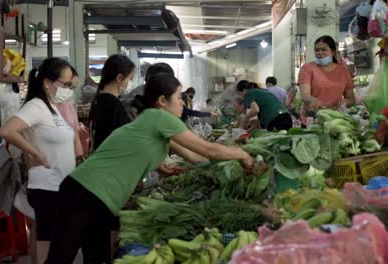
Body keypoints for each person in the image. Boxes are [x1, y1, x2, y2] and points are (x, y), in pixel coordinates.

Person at [46, 73, 253, 263]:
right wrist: (242, 154)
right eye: (179, 97)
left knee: (97, 258)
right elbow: (208, 150)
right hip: (84, 192)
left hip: (99, 199)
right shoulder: (160, 118)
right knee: (61, 259)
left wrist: (160, 167)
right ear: (162, 101)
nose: (183, 103)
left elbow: (195, 157)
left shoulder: (150, 122)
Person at [0, 57, 76, 264]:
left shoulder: (53, 106)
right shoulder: (37, 106)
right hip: (46, 185)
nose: (69, 89)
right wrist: (33, 151)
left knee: (52, 239)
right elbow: (7, 130)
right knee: (47, 241)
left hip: (60, 184)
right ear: (48, 82)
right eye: (66, 84)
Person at [297, 35, 355, 115]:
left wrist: (344, 102)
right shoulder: (307, 68)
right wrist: (312, 100)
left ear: (333, 52)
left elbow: (351, 99)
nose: (320, 53)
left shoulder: (343, 71)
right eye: (317, 50)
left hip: (335, 117)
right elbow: (305, 96)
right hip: (312, 117)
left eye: (323, 50)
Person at [88, 54, 135, 152]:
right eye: (130, 79)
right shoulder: (113, 104)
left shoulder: (99, 99)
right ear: (120, 78)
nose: (130, 83)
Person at [55, 67, 85, 160]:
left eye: (72, 88)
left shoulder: (68, 106)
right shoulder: (39, 107)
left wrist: (80, 157)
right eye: (67, 85)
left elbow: (75, 135)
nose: (69, 91)